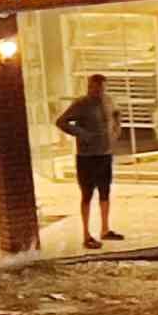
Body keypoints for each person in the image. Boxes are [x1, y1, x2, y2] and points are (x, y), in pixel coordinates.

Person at [56, 73, 123, 250]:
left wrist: (116, 131)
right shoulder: (81, 104)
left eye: (101, 88)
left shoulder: (108, 101)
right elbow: (61, 122)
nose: (98, 91)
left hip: (105, 154)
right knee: (87, 194)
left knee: (105, 192)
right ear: (89, 86)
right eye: (95, 87)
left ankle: (105, 228)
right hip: (87, 157)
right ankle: (86, 234)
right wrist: (81, 134)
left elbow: (116, 114)